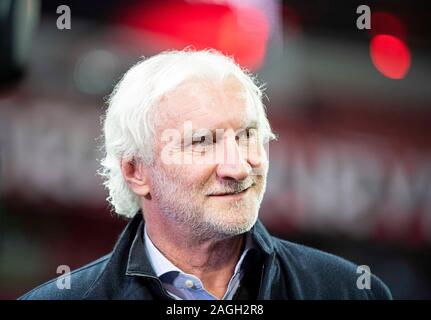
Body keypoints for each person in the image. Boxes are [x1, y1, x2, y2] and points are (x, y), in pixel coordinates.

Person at [19, 49, 392, 300]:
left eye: (247, 136)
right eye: (202, 142)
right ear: (136, 171)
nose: (238, 166)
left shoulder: (350, 290)